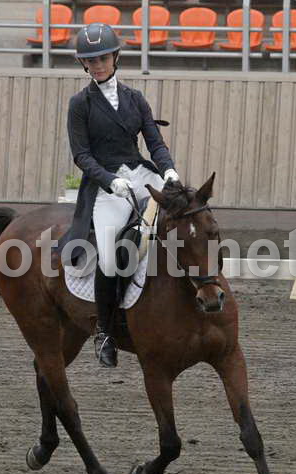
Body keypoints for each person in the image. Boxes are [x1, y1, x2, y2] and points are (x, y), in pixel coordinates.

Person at [56, 22, 179, 368]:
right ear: (84, 64)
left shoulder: (135, 99)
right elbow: (81, 156)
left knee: (184, 217)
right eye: (91, 60)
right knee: (109, 257)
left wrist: (168, 170)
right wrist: (110, 180)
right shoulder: (80, 104)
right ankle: (106, 332)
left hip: (141, 175)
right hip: (106, 187)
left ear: (115, 57)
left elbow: (154, 143)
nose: (97, 65)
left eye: (103, 58)